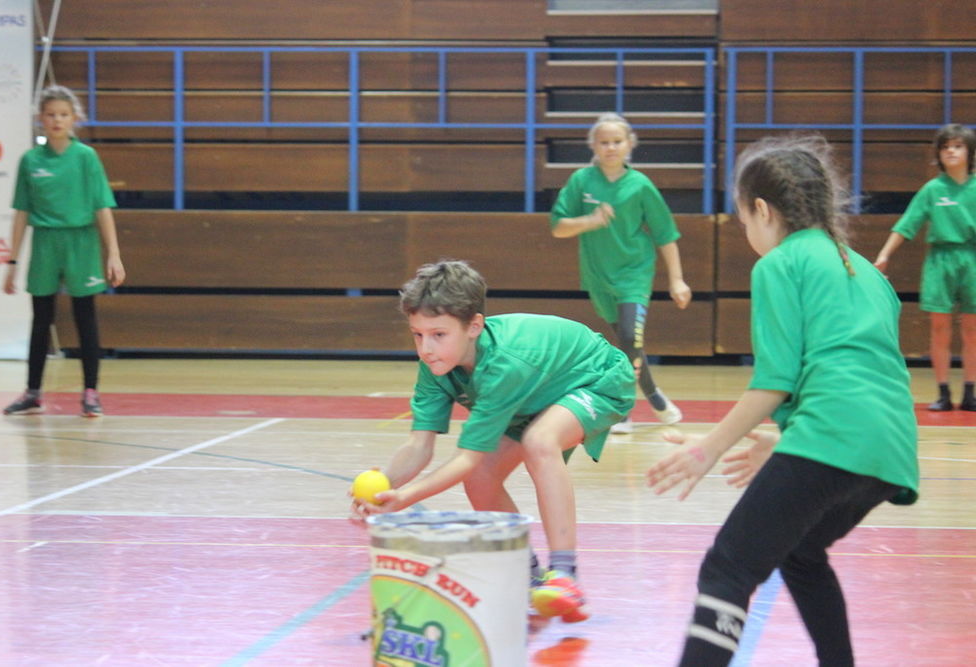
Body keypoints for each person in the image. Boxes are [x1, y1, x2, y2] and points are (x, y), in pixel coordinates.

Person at [646, 135, 919, 666]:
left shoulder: (779, 264)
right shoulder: (865, 271)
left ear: (763, 210)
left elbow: (774, 382)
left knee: (728, 568)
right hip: (891, 451)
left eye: (743, 218)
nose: (746, 230)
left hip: (832, 437)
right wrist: (787, 440)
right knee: (801, 553)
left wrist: (707, 449)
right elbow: (860, 371)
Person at [352, 260, 636, 623]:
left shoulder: (504, 364)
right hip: (532, 395)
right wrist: (383, 490)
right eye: (417, 335)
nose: (426, 349)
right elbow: (419, 447)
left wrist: (404, 499)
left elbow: (466, 457)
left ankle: (566, 577)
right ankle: (530, 577)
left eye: (438, 334)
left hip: (596, 378)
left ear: (474, 326)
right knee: (480, 478)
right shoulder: (434, 367)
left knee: (539, 441)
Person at [549, 112, 691, 431]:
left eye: (617, 141)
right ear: (593, 146)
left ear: (629, 145)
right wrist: (590, 220)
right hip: (598, 276)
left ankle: (622, 409)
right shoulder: (581, 181)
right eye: (604, 142)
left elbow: (665, 234)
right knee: (630, 344)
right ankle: (654, 396)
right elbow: (558, 227)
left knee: (628, 336)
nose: (611, 147)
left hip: (634, 275)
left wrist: (677, 279)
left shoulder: (640, 186)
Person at [1, 85, 125, 418]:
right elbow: (22, 213)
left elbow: (102, 207)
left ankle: (90, 393)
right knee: (41, 318)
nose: (57, 120)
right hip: (45, 242)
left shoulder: (86, 157)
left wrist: (113, 254)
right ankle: (33, 393)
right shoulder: (30, 160)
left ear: (74, 119)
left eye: (63, 114)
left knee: (85, 317)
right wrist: (12, 261)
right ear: (41, 118)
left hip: (80, 242)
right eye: (51, 114)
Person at [874, 123, 976, 411]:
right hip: (940, 261)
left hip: (971, 259)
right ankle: (943, 392)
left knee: (972, 330)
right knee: (939, 327)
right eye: (945, 147)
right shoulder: (933, 190)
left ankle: (970, 392)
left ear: (970, 152)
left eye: (957, 146)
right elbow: (907, 224)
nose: (951, 151)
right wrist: (884, 254)